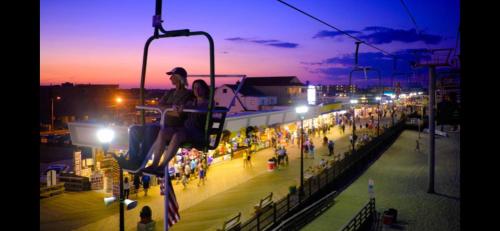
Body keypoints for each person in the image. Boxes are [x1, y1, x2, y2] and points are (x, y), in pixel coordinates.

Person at [144, 79, 210, 175]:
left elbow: (202, 109)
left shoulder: (208, 103)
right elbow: (182, 109)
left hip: (196, 132)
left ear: (205, 89)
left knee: (177, 136)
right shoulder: (192, 102)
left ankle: (162, 167)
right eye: (195, 88)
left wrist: (188, 108)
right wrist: (176, 107)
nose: (197, 90)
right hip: (186, 129)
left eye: (200, 88)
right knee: (163, 132)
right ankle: (154, 164)